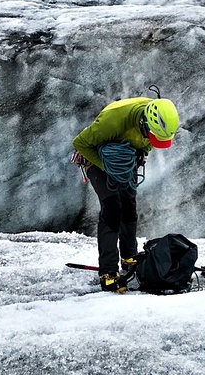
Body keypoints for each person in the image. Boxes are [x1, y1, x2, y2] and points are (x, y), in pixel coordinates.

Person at [71, 95, 180, 292]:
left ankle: (129, 256)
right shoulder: (115, 120)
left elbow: (147, 145)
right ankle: (108, 270)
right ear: (145, 122)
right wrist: (107, 166)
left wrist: (135, 158)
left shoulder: (157, 123)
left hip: (125, 158)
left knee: (129, 204)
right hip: (96, 157)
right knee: (112, 207)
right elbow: (80, 143)